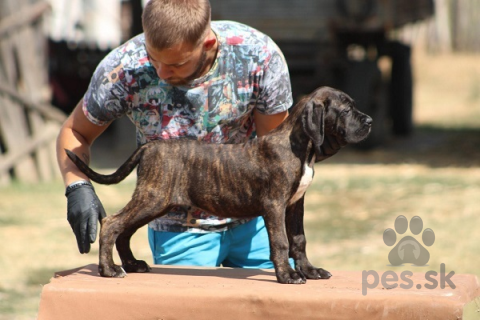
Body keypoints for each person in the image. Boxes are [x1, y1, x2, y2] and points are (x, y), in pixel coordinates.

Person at [56, 0, 293, 269]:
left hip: (255, 224)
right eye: (153, 57)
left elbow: (275, 154)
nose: (161, 72)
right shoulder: (124, 67)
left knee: (273, 308)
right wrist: (77, 186)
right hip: (180, 231)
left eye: (176, 64)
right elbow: (75, 131)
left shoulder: (258, 57)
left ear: (207, 45)